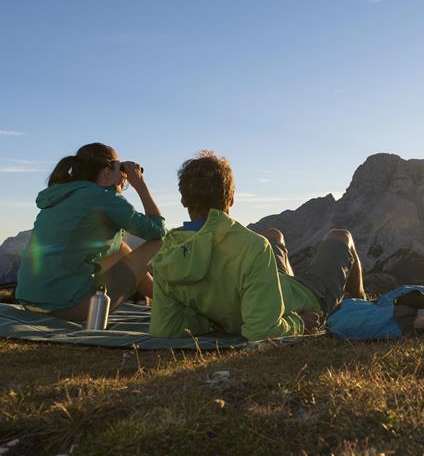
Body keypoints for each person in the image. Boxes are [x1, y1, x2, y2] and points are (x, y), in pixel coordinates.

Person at [149, 151, 366, 341]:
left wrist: (215, 322)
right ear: (231, 199)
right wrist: (299, 324)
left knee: (274, 234)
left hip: (268, 288)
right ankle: (361, 301)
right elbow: (263, 332)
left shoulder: (168, 253)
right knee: (341, 235)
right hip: (307, 299)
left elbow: (166, 329)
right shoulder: (252, 246)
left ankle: (291, 285)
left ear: (183, 201)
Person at [16, 142, 167, 322]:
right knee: (158, 243)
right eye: (121, 168)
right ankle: (171, 302)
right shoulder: (102, 197)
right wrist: (140, 184)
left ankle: (165, 301)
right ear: (107, 172)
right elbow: (158, 231)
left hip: (31, 303)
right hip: (68, 307)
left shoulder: (63, 194)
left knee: (121, 248)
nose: (124, 176)